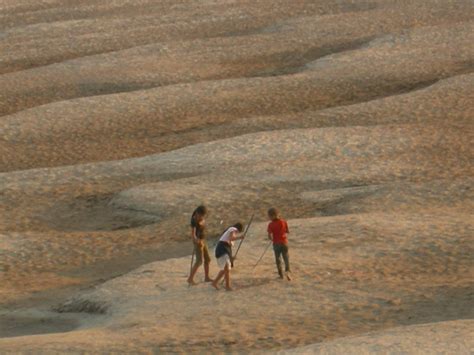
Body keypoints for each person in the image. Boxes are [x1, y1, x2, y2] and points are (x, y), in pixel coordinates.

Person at [211, 222, 244, 291]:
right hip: (222, 249)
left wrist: (231, 257)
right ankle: (227, 286)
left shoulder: (230, 233)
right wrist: (240, 237)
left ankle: (215, 282)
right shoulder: (232, 229)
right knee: (226, 268)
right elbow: (232, 238)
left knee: (225, 269)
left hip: (224, 249)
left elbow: (229, 246)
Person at [187, 205, 212, 285]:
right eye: (201, 215)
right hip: (198, 242)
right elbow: (193, 235)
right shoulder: (194, 221)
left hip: (203, 240)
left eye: (203, 215)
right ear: (197, 213)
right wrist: (197, 241)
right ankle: (190, 279)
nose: (202, 217)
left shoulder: (201, 218)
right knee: (199, 261)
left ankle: (206, 277)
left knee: (207, 259)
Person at [267, 208, 291, 280]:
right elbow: (287, 231)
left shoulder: (270, 224)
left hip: (276, 243)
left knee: (278, 259)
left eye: (270, 216)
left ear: (273, 216)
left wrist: (271, 239)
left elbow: (269, 235)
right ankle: (287, 271)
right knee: (286, 257)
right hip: (284, 242)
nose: (269, 218)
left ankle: (281, 274)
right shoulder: (284, 222)